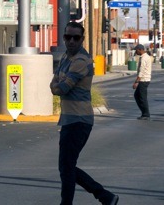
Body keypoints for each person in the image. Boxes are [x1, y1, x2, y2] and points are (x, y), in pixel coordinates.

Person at [50, 22, 121, 205]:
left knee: (66, 167)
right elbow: (53, 83)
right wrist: (58, 83)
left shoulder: (82, 60)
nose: (71, 41)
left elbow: (61, 88)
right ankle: (105, 196)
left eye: (76, 37)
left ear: (82, 39)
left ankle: (100, 196)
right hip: (69, 119)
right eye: (68, 37)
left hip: (79, 120)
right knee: (67, 166)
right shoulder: (67, 57)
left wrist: (59, 83)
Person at [133, 42, 153, 120]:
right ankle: (144, 113)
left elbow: (141, 71)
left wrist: (136, 82)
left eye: (136, 50)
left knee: (142, 97)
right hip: (144, 79)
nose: (136, 52)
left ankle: (146, 114)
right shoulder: (144, 57)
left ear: (140, 50)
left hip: (143, 80)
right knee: (137, 96)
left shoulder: (144, 58)